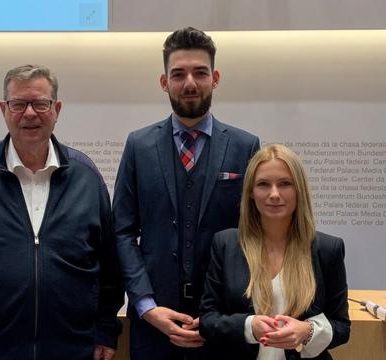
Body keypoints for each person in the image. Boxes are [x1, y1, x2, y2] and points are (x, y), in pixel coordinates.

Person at [0, 64, 124, 360]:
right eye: (18, 104)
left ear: (57, 109)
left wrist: (105, 328)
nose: (29, 114)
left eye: (40, 103)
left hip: (72, 350)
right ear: (3, 109)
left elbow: (111, 266)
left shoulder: (87, 178)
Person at [112, 27, 261, 359]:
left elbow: (256, 233)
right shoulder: (139, 145)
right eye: (178, 74)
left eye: (200, 73)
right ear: (164, 82)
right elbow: (122, 231)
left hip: (225, 323)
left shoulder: (245, 146)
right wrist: (146, 305)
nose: (190, 83)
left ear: (215, 77)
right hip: (153, 325)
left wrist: (222, 313)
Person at [199, 144, 350, 359]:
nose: (274, 194)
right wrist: (249, 325)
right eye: (263, 184)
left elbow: (342, 327)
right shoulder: (226, 244)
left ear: (299, 189)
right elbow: (207, 320)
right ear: (251, 192)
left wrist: (307, 332)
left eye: (285, 184)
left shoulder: (328, 248)